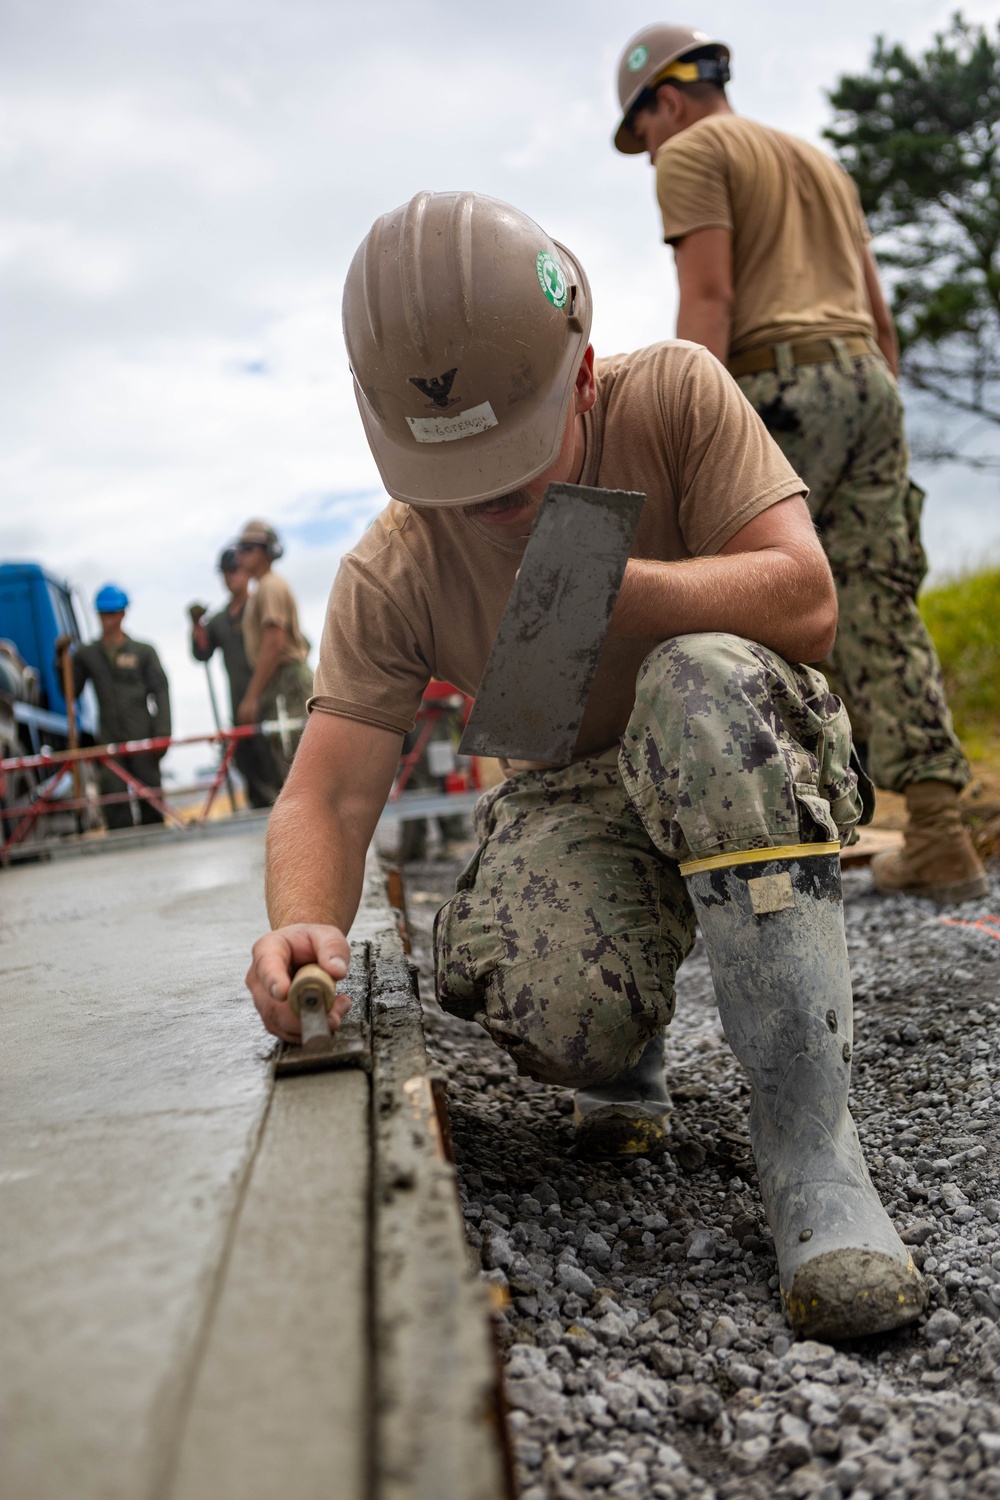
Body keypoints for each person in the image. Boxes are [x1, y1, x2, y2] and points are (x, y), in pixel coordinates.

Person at [244, 191, 927, 1341]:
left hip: (731, 743)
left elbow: (806, 600)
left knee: (698, 676)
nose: (488, 512)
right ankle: (629, 1043)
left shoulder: (672, 396)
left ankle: (812, 1153)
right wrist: (297, 922)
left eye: (512, 475)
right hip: (575, 790)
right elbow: (326, 789)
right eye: (453, 485)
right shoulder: (392, 570)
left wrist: (629, 589)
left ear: (587, 377)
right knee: (553, 1009)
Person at [611, 24, 988, 907]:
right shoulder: (820, 161)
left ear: (666, 100)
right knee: (878, 601)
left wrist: (679, 431)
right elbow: (880, 316)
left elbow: (710, 298)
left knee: (746, 597)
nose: (650, 153)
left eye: (646, 131)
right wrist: (874, 402)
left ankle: (774, 855)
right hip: (867, 383)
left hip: (780, 387)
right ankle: (940, 833)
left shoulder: (694, 151)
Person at [64, 584, 171, 828]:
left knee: (151, 800)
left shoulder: (143, 652)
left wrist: (163, 733)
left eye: (112, 613)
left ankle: (156, 850)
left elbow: (161, 692)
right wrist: (62, 663)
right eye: (103, 614)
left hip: (142, 738)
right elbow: (70, 691)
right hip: (109, 740)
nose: (107, 619)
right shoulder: (87, 654)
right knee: (114, 802)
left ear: (123, 614)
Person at [189, 548, 280, 809]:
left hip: (269, 701)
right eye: (225, 572)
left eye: (234, 570)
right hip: (239, 704)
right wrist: (196, 627)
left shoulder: (261, 608)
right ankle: (260, 818)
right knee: (247, 763)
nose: (229, 578)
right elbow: (202, 652)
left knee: (276, 764)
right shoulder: (219, 620)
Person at [233, 520, 313, 784]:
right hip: (281, 682)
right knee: (290, 766)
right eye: (239, 548)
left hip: (286, 681)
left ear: (265, 550)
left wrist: (252, 696)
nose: (240, 554)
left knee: (298, 772)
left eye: (247, 548)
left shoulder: (270, 586)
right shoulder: (263, 589)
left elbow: (274, 643)